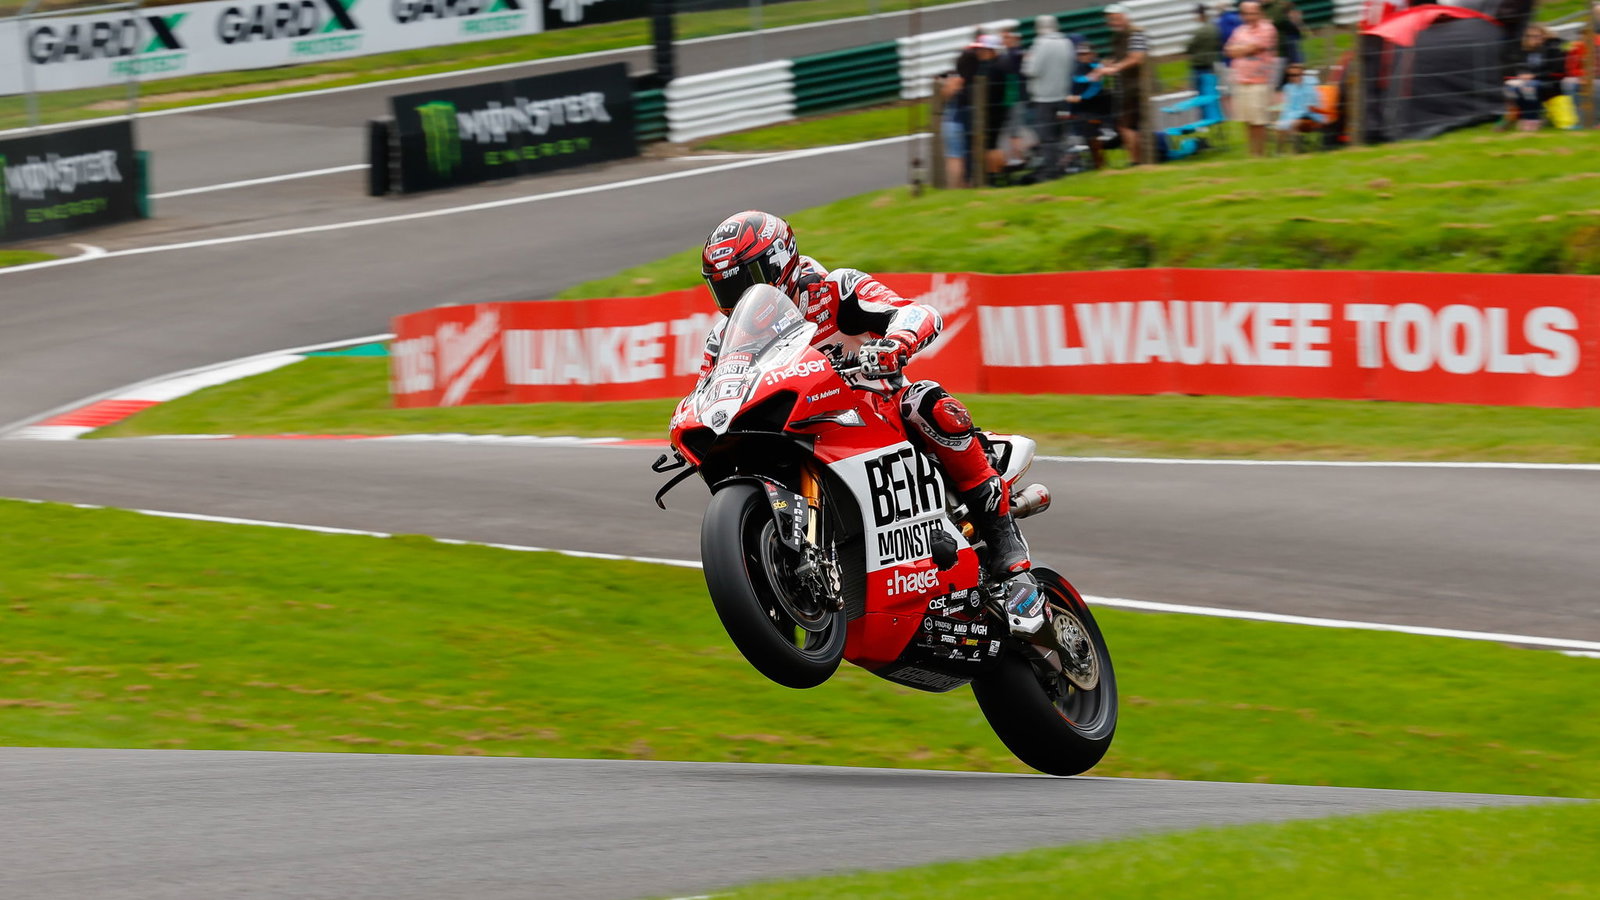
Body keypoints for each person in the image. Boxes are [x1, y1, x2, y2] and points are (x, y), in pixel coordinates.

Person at [697, 210, 1046, 634]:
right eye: (725, 286)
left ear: (778, 261)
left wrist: (893, 344)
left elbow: (917, 312)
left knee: (927, 402)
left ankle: (1004, 540)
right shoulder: (724, 338)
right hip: (804, 425)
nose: (736, 294)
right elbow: (710, 389)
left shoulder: (833, 287)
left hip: (874, 407)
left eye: (744, 278)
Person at [1094, 3, 1150, 164]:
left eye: (1115, 19)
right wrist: (1106, 65)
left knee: (1126, 126)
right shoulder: (1118, 37)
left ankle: (1136, 161)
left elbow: (1137, 58)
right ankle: (1138, 160)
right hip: (1124, 88)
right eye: (1110, 19)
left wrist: (1115, 68)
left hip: (1134, 87)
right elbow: (1120, 57)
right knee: (1128, 126)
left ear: (1125, 17)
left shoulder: (1136, 34)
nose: (1112, 22)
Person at [1023, 15, 1075, 180]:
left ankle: (1051, 170)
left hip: (1044, 98)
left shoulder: (1040, 43)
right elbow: (1071, 67)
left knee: (1047, 136)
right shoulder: (1066, 42)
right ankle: (1062, 165)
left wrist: (1027, 60)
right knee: (1061, 135)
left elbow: (1031, 71)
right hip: (1062, 96)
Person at [1225, 0, 1279, 157]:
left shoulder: (1267, 28)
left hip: (1259, 80)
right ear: (1242, 15)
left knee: (1259, 120)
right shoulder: (1239, 30)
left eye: (1253, 13)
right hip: (1241, 79)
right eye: (1246, 13)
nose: (1250, 16)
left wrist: (1240, 49)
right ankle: (1252, 154)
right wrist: (1244, 49)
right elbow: (1228, 50)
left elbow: (1256, 47)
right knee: (1247, 119)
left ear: (1259, 13)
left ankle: (1260, 154)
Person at [1503, 24, 1569, 131]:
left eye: (1536, 36)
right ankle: (1522, 117)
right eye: (1529, 36)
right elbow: (1518, 67)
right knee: (1510, 88)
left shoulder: (1553, 48)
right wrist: (1521, 75)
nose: (1532, 39)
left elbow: (1556, 71)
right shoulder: (1524, 51)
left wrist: (1534, 76)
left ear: (1545, 35)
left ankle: (1533, 119)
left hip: (1550, 82)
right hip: (1528, 81)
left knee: (1529, 88)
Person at [1066, 42, 1117, 170]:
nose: (1082, 56)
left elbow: (1093, 83)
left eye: (1085, 53)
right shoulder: (1077, 68)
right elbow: (1079, 80)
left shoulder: (1096, 66)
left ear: (1093, 54)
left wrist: (1080, 97)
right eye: (1080, 54)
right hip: (1080, 108)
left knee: (1092, 135)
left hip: (1094, 107)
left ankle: (1100, 163)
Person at [1272, 63, 1325, 152]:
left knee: (1293, 124)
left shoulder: (1310, 86)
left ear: (1302, 74)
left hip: (1311, 116)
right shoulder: (1288, 87)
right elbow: (1288, 106)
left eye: (1295, 75)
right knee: (1280, 125)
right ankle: (1279, 152)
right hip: (1294, 116)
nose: (1292, 77)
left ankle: (1296, 151)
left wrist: (1292, 117)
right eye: (1289, 75)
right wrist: (1284, 118)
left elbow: (1310, 105)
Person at [937, 71, 970, 187]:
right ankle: (956, 186)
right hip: (955, 123)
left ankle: (957, 185)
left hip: (950, 122)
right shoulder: (958, 82)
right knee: (956, 158)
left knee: (954, 157)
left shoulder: (951, 83)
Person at [1185, 4, 1222, 94]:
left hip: (1200, 65)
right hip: (1212, 64)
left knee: (1203, 94)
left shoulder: (1201, 31)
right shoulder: (1215, 28)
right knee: (1211, 93)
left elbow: (1189, 47)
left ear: (1200, 15)